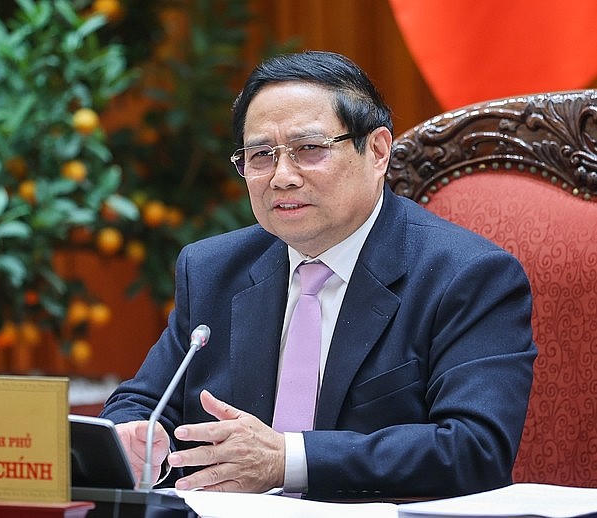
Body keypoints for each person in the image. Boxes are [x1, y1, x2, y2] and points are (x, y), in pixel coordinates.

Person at [99, 50, 536, 499]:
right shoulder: (212, 269)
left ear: (378, 151)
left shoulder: (466, 276)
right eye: (261, 155)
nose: (282, 177)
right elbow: (142, 403)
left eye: (309, 149)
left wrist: (286, 460)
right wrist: (134, 440)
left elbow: (474, 449)